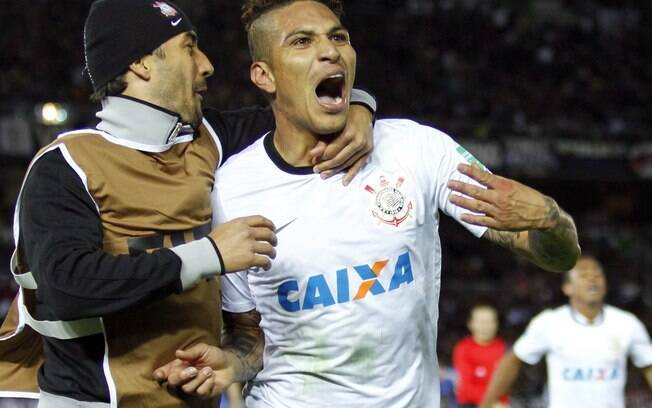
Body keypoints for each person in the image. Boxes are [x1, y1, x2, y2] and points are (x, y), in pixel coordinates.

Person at [153, 1, 580, 406]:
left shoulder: (416, 149)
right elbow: (249, 338)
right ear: (264, 75)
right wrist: (229, 363)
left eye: (338, 38)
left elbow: (556, 256)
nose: (329, 52)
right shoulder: (231, 191)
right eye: (302, 42)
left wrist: (551, 217)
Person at [0, 0, 377, 406]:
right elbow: (66, 287)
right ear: (142, 64)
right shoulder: (65, 166)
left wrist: (359, 109)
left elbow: (305, 112)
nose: (207, 64)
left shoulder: (210, 138)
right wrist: (207, 255)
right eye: (189, 47)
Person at [480, 255, 652, 408]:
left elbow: (649, 365)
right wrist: (487, 403)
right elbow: (513, 360)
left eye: (598, 275)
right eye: (584, 275)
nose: (593, 279)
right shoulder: (549, 323)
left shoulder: (626, 323)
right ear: (567, 287)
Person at [453, 304, 508, 407]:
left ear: (496, 324)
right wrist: (491, 403)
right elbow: (466, 387)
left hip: (500, 404)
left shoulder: (503, 348)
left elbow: (506, 382)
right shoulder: (463, 349)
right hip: (471, 404)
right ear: (470, 324)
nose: (485, 326)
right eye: (481, 322)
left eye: (489, 322)